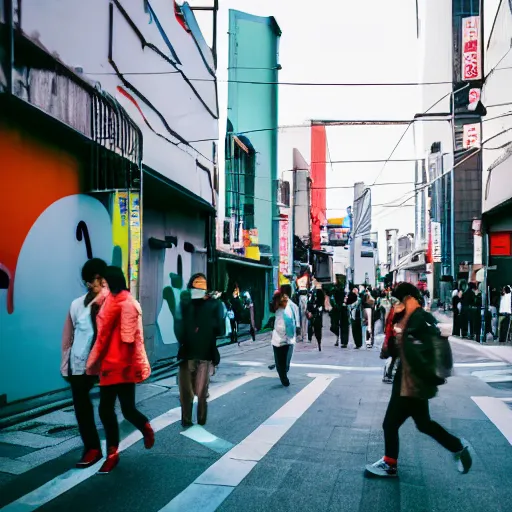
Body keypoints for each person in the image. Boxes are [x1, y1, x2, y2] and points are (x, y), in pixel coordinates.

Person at [366, 282, 472, 478]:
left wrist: (397, 343)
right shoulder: (417, 316)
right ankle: (458, 447)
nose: (395, 303)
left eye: (398, 299)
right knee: (423, 424)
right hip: (415, 381)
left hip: (410, 382)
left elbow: (412, 350)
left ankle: (390, 464)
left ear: (407, 298)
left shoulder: (415, 319)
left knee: (390, 423)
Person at [86, 266, 154, 474]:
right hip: (109, 364)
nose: (101, 287)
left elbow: (129, 338)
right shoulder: (107, 301)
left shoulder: (126, 303)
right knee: (106, 410)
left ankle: (144, 427)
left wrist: (127, 366)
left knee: (126, 409)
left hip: (123, 365)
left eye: (104, 283)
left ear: (113, 282)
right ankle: (112, 454)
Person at [61, 258, 108, 468]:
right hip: (79, 363)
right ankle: (92, 448)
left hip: (106, 364)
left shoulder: (113, 302)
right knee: (82, 409)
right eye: (96, 279)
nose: (100, 282)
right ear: (88, 282)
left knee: (108, 408)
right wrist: (66, 365)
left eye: (102, 278)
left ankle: (113, 448)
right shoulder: (76, 305)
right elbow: (67, 337)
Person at [177, 273, 224, 428]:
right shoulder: (186, 303)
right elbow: (179, 327)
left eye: (202, 284)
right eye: (197, 283)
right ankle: (191, 420)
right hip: (190, 353)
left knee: (196, 391)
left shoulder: (212, 304)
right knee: (193, 391)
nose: (199, 286)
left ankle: (196, 420)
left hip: (200, 353)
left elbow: (220, 329)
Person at [270, 289, 300, 386]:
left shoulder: (285, 309)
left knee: (281, 362)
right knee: (281, 362)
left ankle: (283, 376)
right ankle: (283, 377)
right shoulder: (281, 311)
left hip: (283, 340)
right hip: (282, 340)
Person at [330, 283, 350, 348]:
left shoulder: (344, 290)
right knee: (336, 325)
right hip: (338, 309)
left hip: (341, 309)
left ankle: (342, 341)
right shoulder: (335, 291)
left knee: (342, 325)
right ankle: (341, 341)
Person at [307, 285, 325, 351]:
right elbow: (309, 304)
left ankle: (318, 342)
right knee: (311, 326)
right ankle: (311, 338)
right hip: (313, 313)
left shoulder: (318, 293)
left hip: (317, 314)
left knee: (317, 329)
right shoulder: (312, 293)